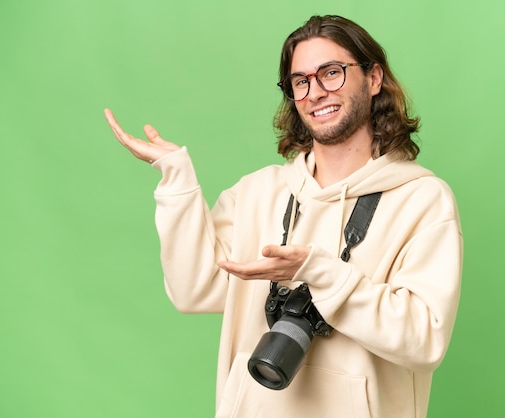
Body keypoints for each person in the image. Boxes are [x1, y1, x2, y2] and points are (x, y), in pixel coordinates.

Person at [105, 14, 462, 418]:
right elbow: (192, 289)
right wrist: (177, 181)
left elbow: (424, 340)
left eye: (332, 73)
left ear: (374, 77)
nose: (315, 92)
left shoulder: (423, 200)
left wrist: (321, 273)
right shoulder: (258, 192)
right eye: (300, 81)